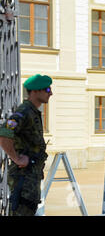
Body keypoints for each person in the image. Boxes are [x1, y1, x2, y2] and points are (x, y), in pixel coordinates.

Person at [0, 74, 52, 216]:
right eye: (47, 89)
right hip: (23, 180)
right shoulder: (24, 111)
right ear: (35, 92)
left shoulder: (33, 112)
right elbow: (4, 133)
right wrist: (16, 158)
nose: (51, 93)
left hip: (31, 178)